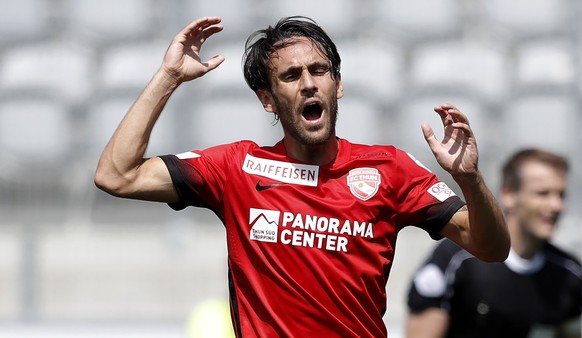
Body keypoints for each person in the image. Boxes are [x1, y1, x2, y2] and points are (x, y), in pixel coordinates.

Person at [94, 16, 510, 337]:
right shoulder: (236, 169)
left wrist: (470, 181)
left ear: (338, 84)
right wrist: (168, 78)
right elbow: (116, 175)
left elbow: (490, 248)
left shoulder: (390, 169)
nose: (309, 84)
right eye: (291, 77)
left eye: (319, 70)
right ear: (267, 100)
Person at [406, 148, 582, 338]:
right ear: (508, 195)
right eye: (543, 194)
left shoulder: (569, 273)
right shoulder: (457, 259)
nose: (556, 206)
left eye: (561, 195)